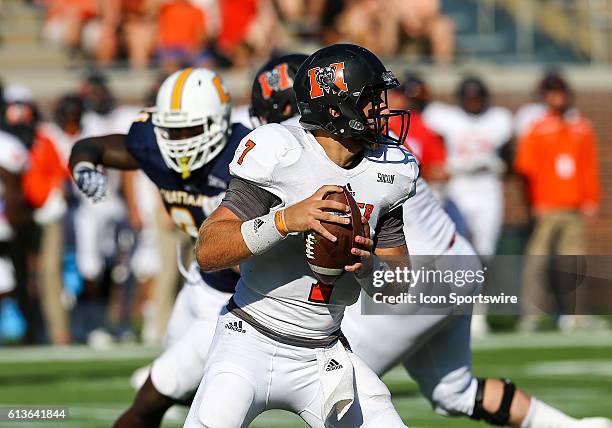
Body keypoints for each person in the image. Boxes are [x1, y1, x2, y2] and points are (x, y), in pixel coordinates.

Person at [251, 54, 612, 428]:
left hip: (418, 278)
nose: (378, 108)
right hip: (457, 266)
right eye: (368, 98)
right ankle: (574, 427)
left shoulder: (320, 148)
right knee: (454, 392)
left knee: (325, 380)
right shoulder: (359, 143)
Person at [186, 43, 417, 428]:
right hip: (249, 341)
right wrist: (284, 221)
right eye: (371, 99)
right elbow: (208, 250)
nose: (382, 109)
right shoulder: (281, 150)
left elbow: (398, 285)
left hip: (324, 353)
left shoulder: (391, 169)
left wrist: (367, 267)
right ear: (334, 108)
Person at [68, 67, 251, 428]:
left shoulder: (246, 156)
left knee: (156, 394)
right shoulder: (152, 145)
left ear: (219, 123)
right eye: (171, 131)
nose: (180, 141)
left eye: (190, 131)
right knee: (181, 387)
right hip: (199, 284)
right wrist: (84, 166)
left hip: (237, 299)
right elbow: (93, 146)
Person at [515, 74, 601, 330]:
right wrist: (534, 202)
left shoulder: (581, 127)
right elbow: (526, 169)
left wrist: (591, 198)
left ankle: (573, 316)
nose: (557, 98)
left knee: (572, 263)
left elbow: (588, 166)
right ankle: (529, 315)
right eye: (552, 93)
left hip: (573, 205)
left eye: (561, 92)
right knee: (537, 261)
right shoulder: (538, 128)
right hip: (547, 206)